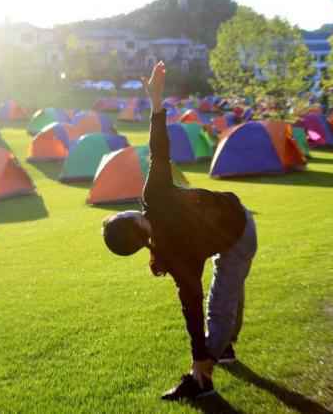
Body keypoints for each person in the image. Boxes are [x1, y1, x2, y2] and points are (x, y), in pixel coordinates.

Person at [102, 62, 257, 401]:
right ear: (134, 221)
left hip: (233, 229)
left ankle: (211, 362)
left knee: (226, 293)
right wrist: (157, 101)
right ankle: (206, 373)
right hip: (238, 226)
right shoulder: (155, 202)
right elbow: (160, 150)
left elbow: (190, 304)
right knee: (224, 300)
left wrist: (199, 349)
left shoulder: (165, 252)